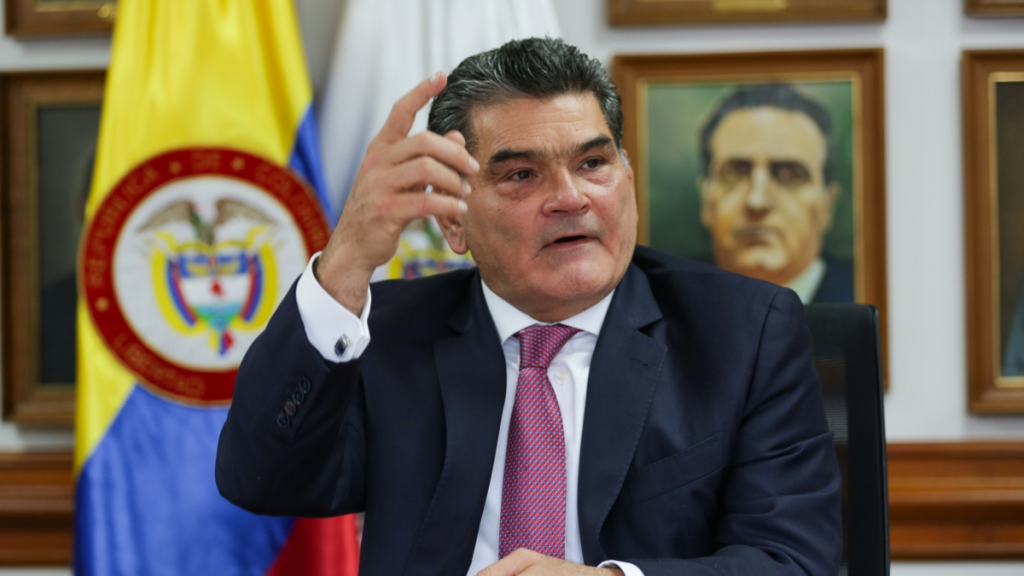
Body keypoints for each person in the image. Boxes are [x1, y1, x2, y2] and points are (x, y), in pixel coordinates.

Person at [216, 39, 841, 576]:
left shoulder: (742, 334)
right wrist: (346, 262)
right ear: (453, 221)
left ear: (627, 180)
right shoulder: (388, 334)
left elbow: (791, 561)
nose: (570, 197)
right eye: (521, 175)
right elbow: (263, 478)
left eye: (592, 163)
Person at [698, 84, 853, 303]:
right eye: (736, 172)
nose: (757, 201)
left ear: (827, 205)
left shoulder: (869, 297)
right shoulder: (667, 299)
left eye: (790, 175)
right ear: (706, 200)